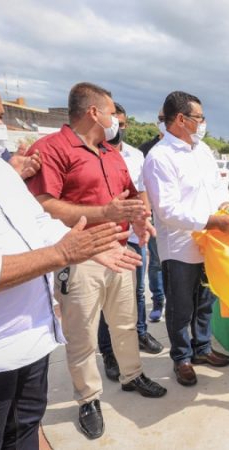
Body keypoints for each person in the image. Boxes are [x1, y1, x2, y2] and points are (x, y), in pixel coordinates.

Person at [0, 59, 139, 449]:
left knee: (23, 438)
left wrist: (88, 248)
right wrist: (61, 254)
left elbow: (35, 224)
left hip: (31, 347)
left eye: (0, 115)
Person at [25, 82, 167, 440]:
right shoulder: (52, 149)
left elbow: (129, 196)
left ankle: (132, 375)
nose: (115, 119)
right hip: (81, 256)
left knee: (124, 322)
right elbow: (42, 204)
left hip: (119, 251)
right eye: (110, 112)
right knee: (82, 333)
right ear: (93, 112)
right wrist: (105, 211)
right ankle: (88, 397)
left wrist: (140, 218)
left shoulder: (110, 152)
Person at [143, 91, 229, 387]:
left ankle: (203, 349)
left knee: (205, 300)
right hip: (181, 247)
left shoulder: (203, 150)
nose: (202, 122)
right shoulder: (160, 157)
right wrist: (212, 220)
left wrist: (225, 206)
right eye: (199, 117)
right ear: (181, 119)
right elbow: (168, 210)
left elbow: (217, 186)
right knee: (180, 306)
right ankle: (182, 358)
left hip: (210, 243)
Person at [97, 102, 164, 383]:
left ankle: (138, 333)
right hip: (107, 239)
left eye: (123, 124)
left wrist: (145, 219)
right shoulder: (94, 154)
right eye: (115, 122)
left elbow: (142, 192)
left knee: (136, 292)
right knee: (107, 301)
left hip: (134, 238)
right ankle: (110, 353)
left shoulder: (136, 156)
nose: (118, 129)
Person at [138, 109, 167, 322]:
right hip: (156, 215)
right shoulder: (146, 150)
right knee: (156, 262)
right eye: (162, 119)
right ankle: (158, 300)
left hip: (183, 218)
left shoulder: (190, 149)